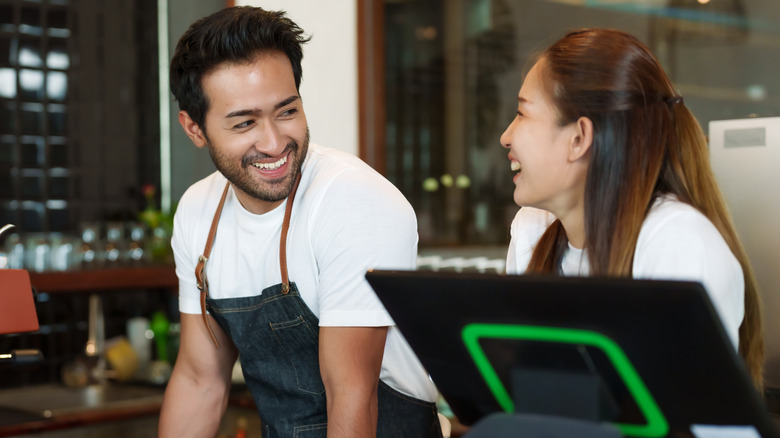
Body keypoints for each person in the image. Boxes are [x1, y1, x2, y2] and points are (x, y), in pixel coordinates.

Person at [158, 6, 443, 437]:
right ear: (194, 129)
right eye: (245, 123)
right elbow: (200, 381)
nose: (274, 143)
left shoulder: (351, 200)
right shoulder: (198, 211)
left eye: (286, 111)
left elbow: (351, 393)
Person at [501, 28, 764, 388]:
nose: (506, 136)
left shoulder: (679, 244)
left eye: (521, 113)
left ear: (579, 138)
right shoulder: (533, 229)